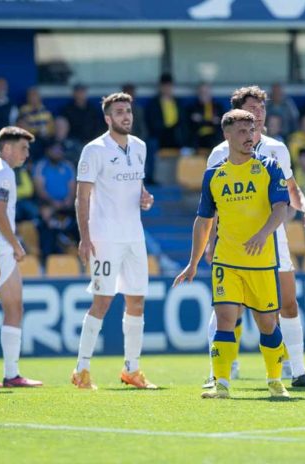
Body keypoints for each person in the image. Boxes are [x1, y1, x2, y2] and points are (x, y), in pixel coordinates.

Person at [202, 86, 305, 389]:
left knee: (287, 304)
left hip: (274, 239)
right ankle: (217, 372)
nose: (259, 113)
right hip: (233, 242)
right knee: (226, 310)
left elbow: (290, 189)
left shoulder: (278, 149)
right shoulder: (219, 154)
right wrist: (210, 242)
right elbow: (213, 202)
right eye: (252, 108)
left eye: (261, 108)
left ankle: (298, 371)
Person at [173, 109, 291, 399]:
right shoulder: (214, 175)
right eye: (242, 131)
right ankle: (222, 383)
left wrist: (263, 234)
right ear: (227, 135)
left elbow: (281, 209)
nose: (249, 137)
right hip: (226, 261)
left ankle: (275, 380)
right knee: (225, 319)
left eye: (251, 131)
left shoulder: (269, 167)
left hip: (262, 263)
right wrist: (193, 262)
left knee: (268, 324)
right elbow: (203, 221)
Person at [72, 92, 155, 390]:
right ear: (107, 118)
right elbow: (82, 196)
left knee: (136, 300)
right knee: (103, 301)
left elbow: (137, 187)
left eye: (128, 111)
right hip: (105, 237)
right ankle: (81, 369)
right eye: (119, 112)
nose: (126, 116)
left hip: (134, 235)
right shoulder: (94, 150)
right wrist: (84, 238)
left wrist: (144, 198)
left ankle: (131, 369)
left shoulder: (141, 147)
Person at [0, 127, 43, 388]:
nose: (27, 154)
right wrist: (16, 245)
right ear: (7, 148)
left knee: (10, 307)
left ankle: (4, 374)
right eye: (23, 148)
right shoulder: (4, 173)